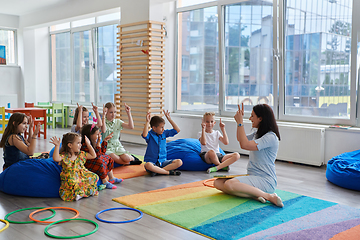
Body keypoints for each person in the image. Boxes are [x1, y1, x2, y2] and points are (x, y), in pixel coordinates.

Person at [214, 103, 284, 207]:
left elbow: (244, 144)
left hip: (265, 180)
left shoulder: (270, 137)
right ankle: (254, 195)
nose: (250, 119)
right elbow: (240, 139)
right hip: (253, 176)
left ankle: (269, 196)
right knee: (217, 183)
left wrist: (240, 122)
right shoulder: (257, 134)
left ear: (260, 118)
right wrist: (238, 122)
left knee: (229, 184)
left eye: (252, 116)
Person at [50, 132, 99, 201]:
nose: (80, 145)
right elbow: (56, 158)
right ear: (70, 145)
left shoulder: (80, 154)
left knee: (94, 176)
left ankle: (82, 193)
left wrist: (89, 144)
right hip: (71, 176)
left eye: (80, 143)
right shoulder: (65, 156)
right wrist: (57, 146)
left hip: (82, 174)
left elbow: (93, 155)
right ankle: (79, 194)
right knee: (73, 182)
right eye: (78, 143)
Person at [80, 123, 123, 189]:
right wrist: (98, 143)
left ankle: (111, 178)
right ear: (90, 135)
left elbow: (102, 152)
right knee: (100, 161)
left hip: (94, 160)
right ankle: (104, 181)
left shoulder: (94, 142)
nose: (98, 136)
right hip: (87, 164)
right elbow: (96, 156)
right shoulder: (85, 145)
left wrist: (105, 141)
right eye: (97, 134)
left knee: (108, 157)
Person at [142, 110, 182, 176]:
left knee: (179, 162)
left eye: (163, 127)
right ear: (154, 128)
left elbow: (177, 130)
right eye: (161, 127)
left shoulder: (164, 133)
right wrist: (147, 122)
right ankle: (167, 172)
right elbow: (144, 135)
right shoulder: (150, 135)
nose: (163, 129)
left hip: (163, 162)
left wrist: (169, 119)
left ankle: (157, 171)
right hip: (152, 163)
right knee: (148, 165)